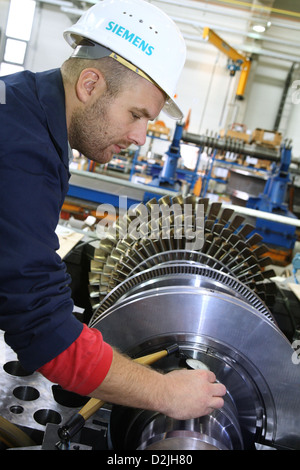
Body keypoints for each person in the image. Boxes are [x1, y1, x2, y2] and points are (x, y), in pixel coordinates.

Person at [0, 0, 226, 422]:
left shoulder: (25, 106)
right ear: (90, 85)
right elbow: (44, 333)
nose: (141, 137)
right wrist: (164, 391)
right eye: (136, 115)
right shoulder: (21, 147)